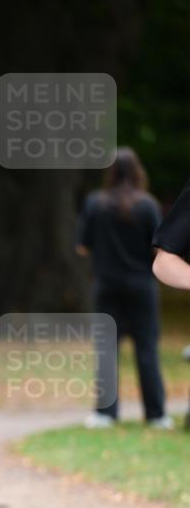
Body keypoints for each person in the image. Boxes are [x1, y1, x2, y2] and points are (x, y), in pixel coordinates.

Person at [76, 147, 173, 430]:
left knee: (106, 350)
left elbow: (82, 247)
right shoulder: (147, 205)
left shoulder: (96, 203)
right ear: (137, 171)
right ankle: (156, 415)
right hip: (142, 286)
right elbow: (160, 248)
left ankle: (106, 414)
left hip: (106, 285)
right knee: (147, 350)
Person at [152, 178, 190, 289]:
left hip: (106, 280)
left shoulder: (98, 204)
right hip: (142, 280)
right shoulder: (147, 205)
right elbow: (164, 260)